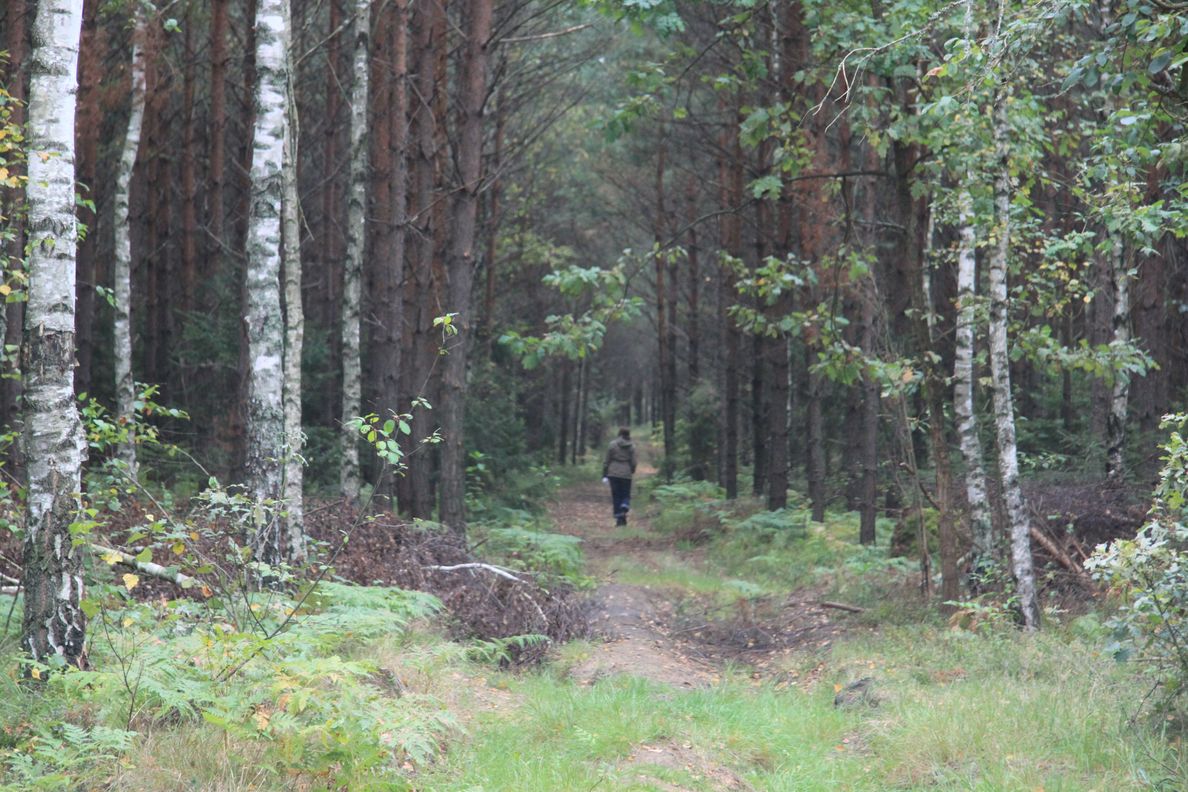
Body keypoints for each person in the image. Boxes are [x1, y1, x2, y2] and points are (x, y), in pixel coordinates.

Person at [602, 427, 636, 526]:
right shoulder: (631, 446)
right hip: (626, 473)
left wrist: (605, 473)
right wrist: (632, 470)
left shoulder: (612, 444)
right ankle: (625, 505)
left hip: (613, 473)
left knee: (616, 496)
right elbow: (633, 462)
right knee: (625, 494)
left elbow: (607, 460)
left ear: (619, 434)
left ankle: (619, 518)